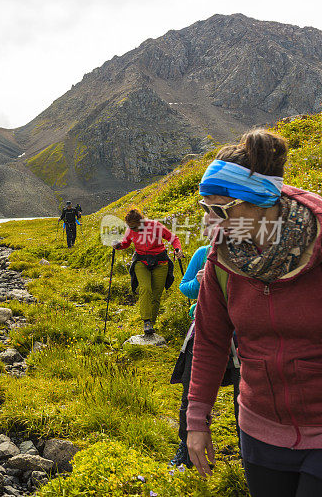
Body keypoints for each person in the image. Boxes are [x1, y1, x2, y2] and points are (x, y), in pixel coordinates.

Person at [187, 129, 322, 497]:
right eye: (206, 210)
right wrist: (197, 419)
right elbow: (210, 339)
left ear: (261, 201)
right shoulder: (222, 258)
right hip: (259, 429)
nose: (212, 222)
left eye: (221, 210)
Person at [169, 214, 240, 467]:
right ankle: (185, 448)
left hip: (240, 333)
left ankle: (248, 449)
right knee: (191, 387)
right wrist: (199, 283)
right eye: (209, 227)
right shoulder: (202, 253)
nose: (213, 231)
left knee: (244, 394)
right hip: (204, 326)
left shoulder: (245, 255)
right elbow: (184, 286)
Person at [113, 208, 184, 335]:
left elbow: (173, 238)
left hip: (160, 262)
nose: (132, 230)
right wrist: (119, 245)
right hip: (141, 261)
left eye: (134, 227)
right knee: (145, 288)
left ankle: (151, 323)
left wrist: (178, 249)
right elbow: (126, 243)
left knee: (156, 294)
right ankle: (146, 321)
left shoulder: (155, 226)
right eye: (130, 227)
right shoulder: (130, 230)